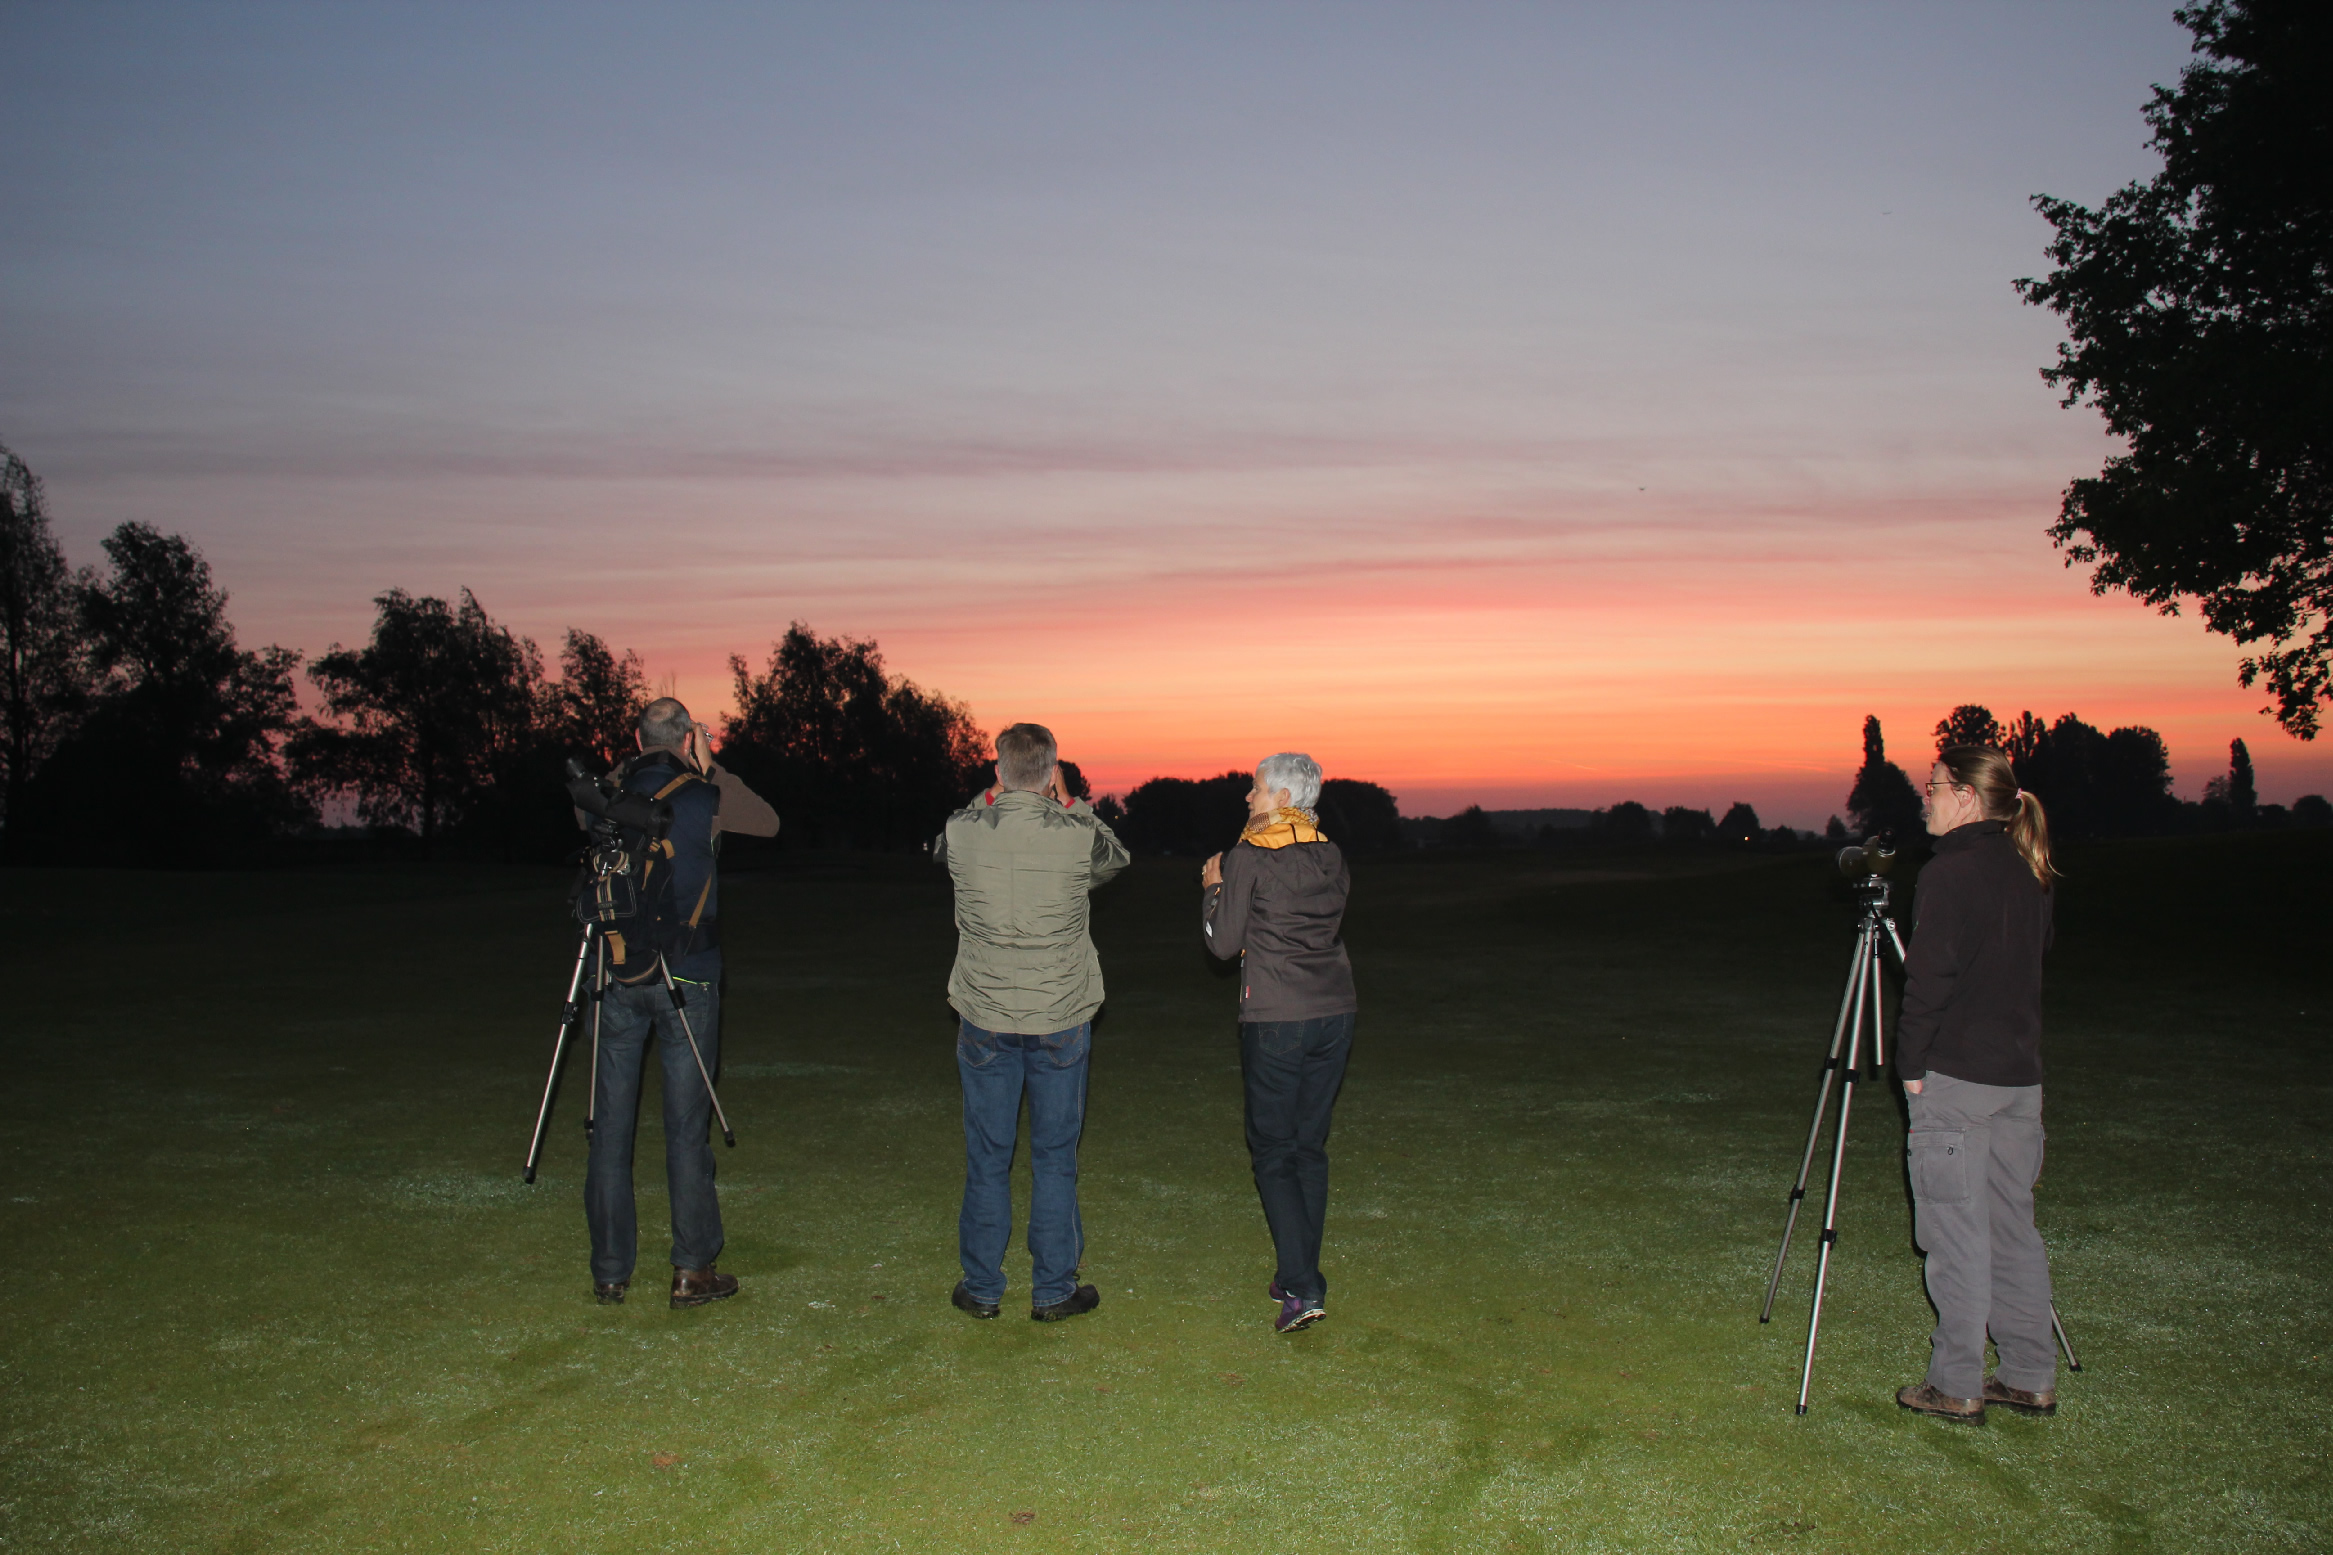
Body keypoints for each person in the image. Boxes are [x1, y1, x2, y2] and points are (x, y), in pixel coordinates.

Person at [584, 697, 778, 1308]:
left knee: (609, 1129)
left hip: (618, 973)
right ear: (688, 735)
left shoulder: (609, 796)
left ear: (637, 737)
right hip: (688, 978)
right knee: (686, 1129)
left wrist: (626, 771)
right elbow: (767, 821)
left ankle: (611, 1271)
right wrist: (710, 765)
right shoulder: (702, 797)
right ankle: (692, 1269)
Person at [933, 722, 1129, 1322]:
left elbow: (946, 851)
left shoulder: (963, 830)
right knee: (1054, 1156)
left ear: (996, 771)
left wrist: (991, 796)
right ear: (1051, 772)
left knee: (988, 1155)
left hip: (986, 1015)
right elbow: (1114, 861)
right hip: (1060, 1016)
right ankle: (1053, 1289)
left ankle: (984, 1287)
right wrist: (1066, 799)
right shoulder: (1074, 833)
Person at [1893, 744, 2061, 1421]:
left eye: (1932, 787)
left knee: (1956, 1234)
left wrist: (1908, 1066)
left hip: (1957, 1080)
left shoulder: (1948, 874)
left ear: (1964, 794)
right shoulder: (2028, 870)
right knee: (2012, 1229)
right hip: (2019, 1081)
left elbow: (1927, 982)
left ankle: (1955, 1380)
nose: (1924, 798)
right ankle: (2027, 1373)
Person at [1201, 752, 1358, 1334]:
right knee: (1307, 1148)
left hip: (1276, 1019)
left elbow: (1221, 946)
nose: (1248, 797)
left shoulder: (1247, 858)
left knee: (1272, 1150)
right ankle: (1297, 1270)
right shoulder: (1330, 853)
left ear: (1285, 799)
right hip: (1335, 1011)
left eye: (1257, 788)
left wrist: (1214, 890)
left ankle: (1302, 1286)